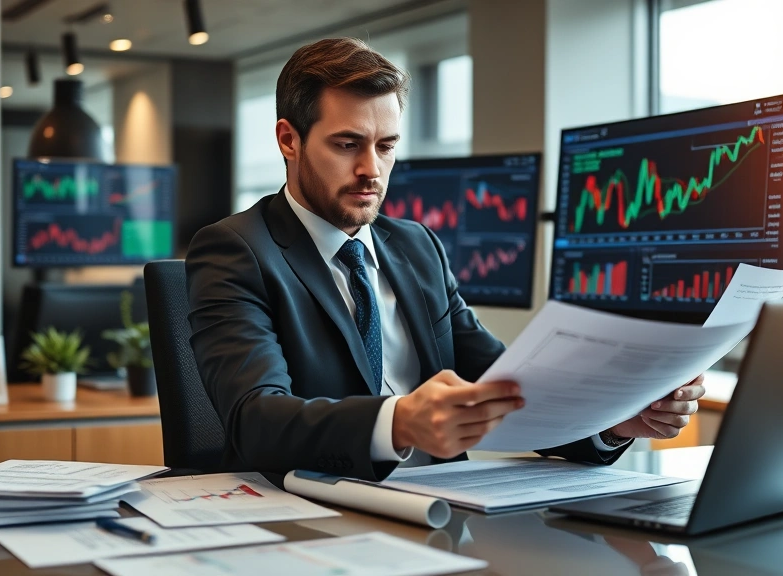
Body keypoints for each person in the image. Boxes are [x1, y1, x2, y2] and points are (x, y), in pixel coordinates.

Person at [185, 37, 704, 482]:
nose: (372, 170)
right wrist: (399, 422)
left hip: (446, 512)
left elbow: (502, 387)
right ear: (288, 140)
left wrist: (609, 421)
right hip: (316, 519)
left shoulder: (416, 246)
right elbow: (255, 419)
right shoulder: (235, 249)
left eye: (386, 146)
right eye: (347, 144)